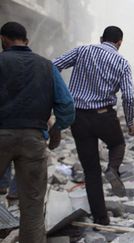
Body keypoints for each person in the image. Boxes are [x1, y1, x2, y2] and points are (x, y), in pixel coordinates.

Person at [53, 26, 134, 226]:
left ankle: (101, 218)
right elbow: (129, 95)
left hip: (79, 118)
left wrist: (60, 97)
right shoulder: (122, 62)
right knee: (117, 144)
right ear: (119, 43)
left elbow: (54, 65)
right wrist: (131, 121)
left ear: (101, 39)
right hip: (104, 117)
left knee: (91, 170)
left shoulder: (82, 50)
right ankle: (113, 168)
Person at [0, 21, 75, 243]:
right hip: (34, 139)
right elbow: (67, 105)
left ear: (3, 39)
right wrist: (57, 128)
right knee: (32, 206)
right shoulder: (47, 66)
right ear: (27, 41)